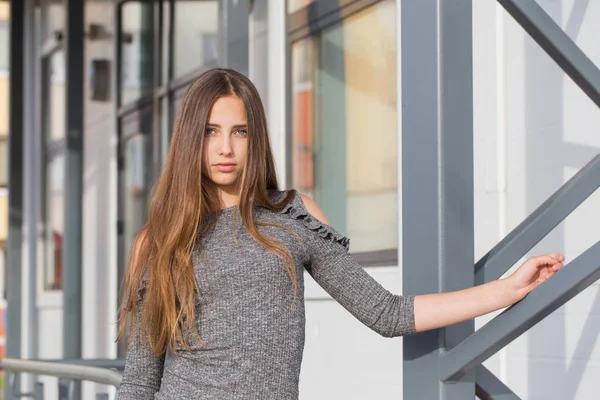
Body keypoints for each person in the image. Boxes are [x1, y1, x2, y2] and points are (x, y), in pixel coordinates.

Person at [116, 68, 565, 400]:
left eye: (240, 131)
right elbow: (139, 379)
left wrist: (506, 289)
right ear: (191, 139)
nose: (226, 148)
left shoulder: (295, 214)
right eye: (211, 132)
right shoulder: (157, 241)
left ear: (257, 139)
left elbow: (386, 313)